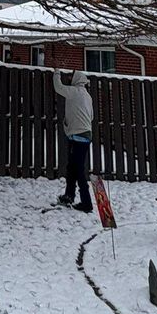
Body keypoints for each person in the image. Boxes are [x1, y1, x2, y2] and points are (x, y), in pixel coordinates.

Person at [53, 69, 94, 213]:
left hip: (79, 135)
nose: (69, 79)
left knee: (78, 170)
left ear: (76, 80)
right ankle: (69, 195)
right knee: (72, 167)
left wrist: (56, 72)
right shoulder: (87, 96)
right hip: (83, 135)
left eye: (71, 77)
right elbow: (92, 116)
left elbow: (58, 87)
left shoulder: (75, 91)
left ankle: (86, 203)